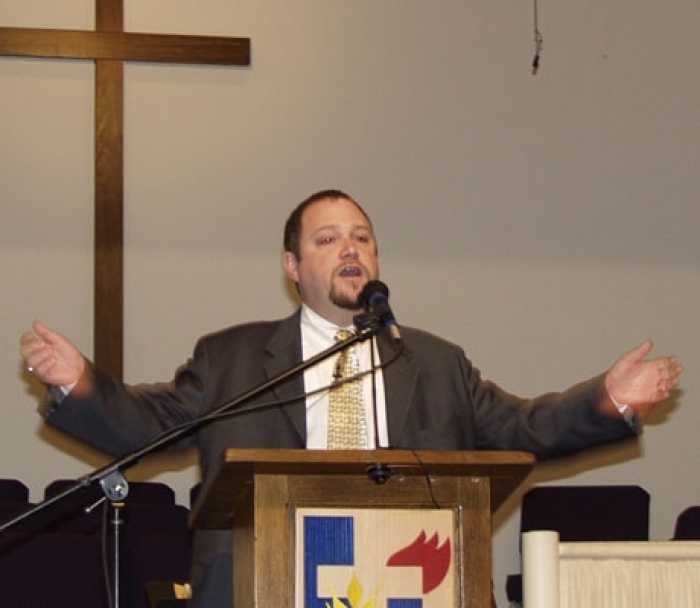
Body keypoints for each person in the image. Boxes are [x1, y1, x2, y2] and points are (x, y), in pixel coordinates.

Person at [20, 189, 683, 607]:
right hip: (260, 587)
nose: (350, 248)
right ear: (292, 266)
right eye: (328, 237)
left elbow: (520, 428)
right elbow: (149, 425)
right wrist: (80, 383)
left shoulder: (433, 361)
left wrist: (606, 402)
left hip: (410, 583)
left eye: (362, 236)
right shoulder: (235, 358)